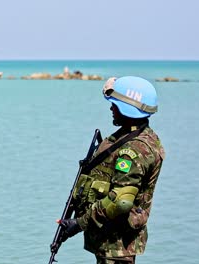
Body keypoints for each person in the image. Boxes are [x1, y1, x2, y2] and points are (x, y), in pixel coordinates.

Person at [57, 76, 165, 264]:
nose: (111, 108)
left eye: (115, 104)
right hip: (111, 242)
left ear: (127, 109)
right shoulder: (139, 136)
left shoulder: (132, 150)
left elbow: (121, 201)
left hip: (116, 246)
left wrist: (79, 224)